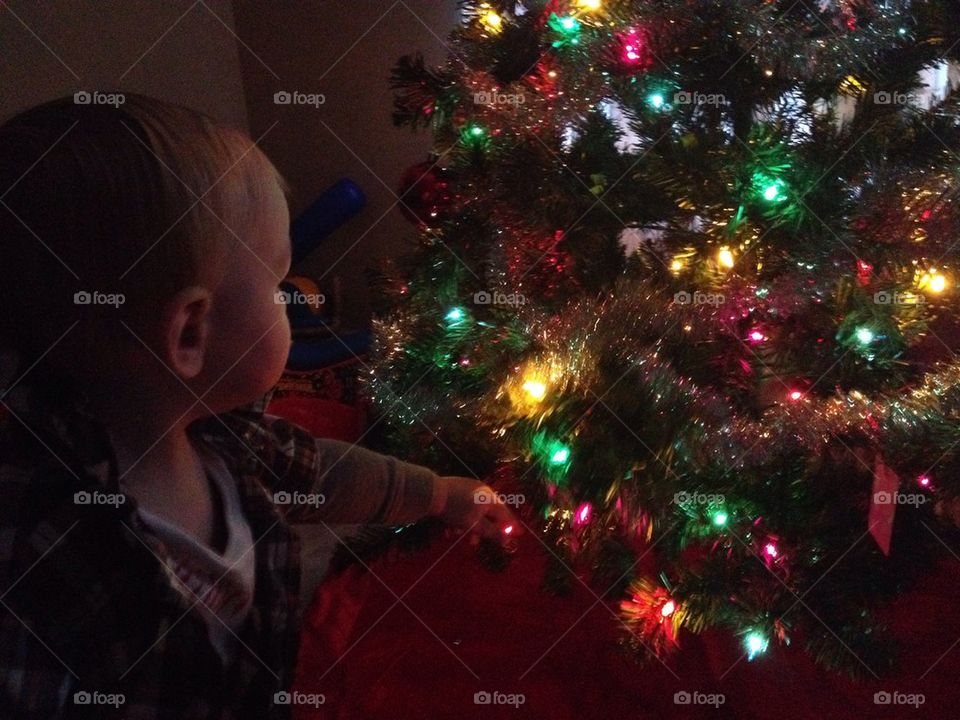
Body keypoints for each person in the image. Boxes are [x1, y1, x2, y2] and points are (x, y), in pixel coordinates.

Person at [0, 93, 518, 718]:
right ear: (190, 333)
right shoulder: (44, 566)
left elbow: (321, 477)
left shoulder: (226, 441)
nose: (287, 299)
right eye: (277, 284)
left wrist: (439, 494)